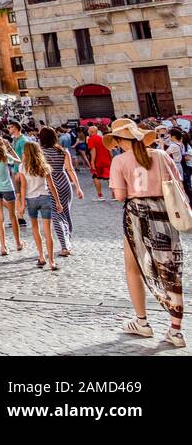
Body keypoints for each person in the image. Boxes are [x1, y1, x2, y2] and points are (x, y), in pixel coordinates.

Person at [105, 119, 185, 347]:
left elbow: (120, 196)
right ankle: (176, 331)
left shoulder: (119, 161)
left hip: (137, 216)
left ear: (120, 141)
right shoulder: (160, 155)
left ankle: (142, 321)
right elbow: (177, 182)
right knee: (170, 269)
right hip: (165, 213)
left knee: (133, 268)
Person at [39, 126, 83, 256]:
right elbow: (71, 170)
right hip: (64, 182)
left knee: (56, 215)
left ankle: (65, 246)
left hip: (50, 183)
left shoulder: (40, 153)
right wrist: (78, 187)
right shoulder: (63, 152)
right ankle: (68, 240)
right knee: (66, 213)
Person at [19, 141, 57, 271]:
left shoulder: (22, 167)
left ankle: (41, 256)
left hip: (31, 199)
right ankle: (52, 261)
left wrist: (22, 204)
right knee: (48, 232)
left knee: (35, 228)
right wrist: (58, 202)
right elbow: (51, 186)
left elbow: (23, 186)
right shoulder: (44, 166)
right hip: (45, 198)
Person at [87, 124, 112, 200]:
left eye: (88, 131)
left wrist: (92, 162)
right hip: (107, 160)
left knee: (96, 177)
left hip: (97, 161)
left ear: (91, 131)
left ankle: (100, 196)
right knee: (109, 178)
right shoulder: (103, 138)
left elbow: (93, 151)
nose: (88, 132)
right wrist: (111, 159)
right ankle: (114, 195)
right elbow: (109, 150)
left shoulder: (91, 139)